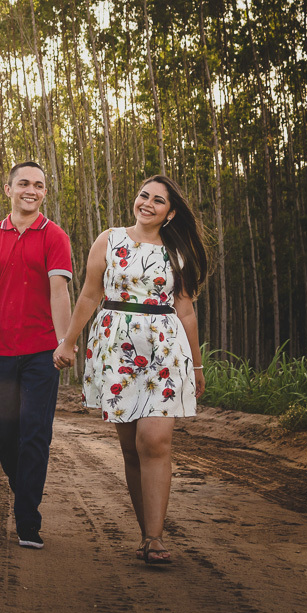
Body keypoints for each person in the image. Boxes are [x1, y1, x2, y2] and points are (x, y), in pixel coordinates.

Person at [58, 174, 208, 564]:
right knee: (130, 448)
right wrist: (69, 340)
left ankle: (156, 538)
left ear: (170, 213)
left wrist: (197, 364)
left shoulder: (178, 252)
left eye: (158, 201)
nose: (147, 203)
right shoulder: (109, 239)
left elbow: (186, 310)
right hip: (116, 346)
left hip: (164, 348)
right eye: (144, 195)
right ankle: (146, 533)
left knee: (154, 441)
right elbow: (90, 293)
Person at [0, 161, 74, 550]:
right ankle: (23, 485)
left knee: (35, 435)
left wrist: (66, 341)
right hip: (0, 353)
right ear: (7, 189)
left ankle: (28, 520)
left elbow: (60, 291)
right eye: (23, 183)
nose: (32, 190)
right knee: (5, 435)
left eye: (39, 185)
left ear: (45, 192)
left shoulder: (54, 236)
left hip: (43, 352)